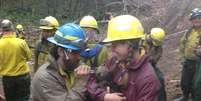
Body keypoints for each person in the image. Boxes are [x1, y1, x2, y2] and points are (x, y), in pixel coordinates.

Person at [86, 15, 161, 101]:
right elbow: (90, 80)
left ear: (130, 45)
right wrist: (104, 96)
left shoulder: (148, 79)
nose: (112, 49)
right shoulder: (114, 61)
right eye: (111, 45)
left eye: (115, 45)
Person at [31, 23, 91, 101]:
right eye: (74, 52)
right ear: (60, 51)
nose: (79, 57)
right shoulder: (45, 78)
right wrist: (80, 83)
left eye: (80, 52)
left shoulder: (71, 65)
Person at [0, 19, 32, 101]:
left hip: (7, 79)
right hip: (23, 77)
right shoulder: (21, 42)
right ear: (12, 29)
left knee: (10, 99)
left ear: (2, 30)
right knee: (23, 98)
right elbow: (29, 56)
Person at [178, 8, 201, 101]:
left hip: (199, 63)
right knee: (185, 82)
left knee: (197, 84)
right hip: (188, 62)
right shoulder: (188, 32)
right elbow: (182, 44)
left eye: (199, 18)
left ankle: (196, 98)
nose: (197, 20)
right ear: (191, 20)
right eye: (194, 18)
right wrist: (183, 57)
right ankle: (185, 96)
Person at [145, 28, 167, 101]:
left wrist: (151, 60)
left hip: (150, 65)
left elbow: (158, 54)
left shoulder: (158, 45)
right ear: (151, 36)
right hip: (138, 66)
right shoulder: (140, 42)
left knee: (160, 79)